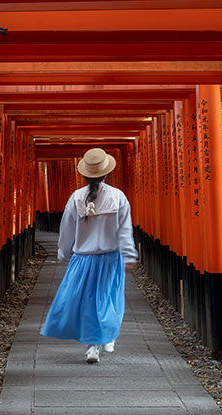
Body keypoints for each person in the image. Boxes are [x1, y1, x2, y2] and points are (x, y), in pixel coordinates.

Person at [40, 148, 138, 363]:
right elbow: (124, 230)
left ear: (84, 174)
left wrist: (63, 253)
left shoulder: (76, 197)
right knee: (108, 300)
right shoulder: (118, 196)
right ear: (106, 173)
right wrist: (130, 255)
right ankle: (108, 336)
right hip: (110, 258)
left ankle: (93, 346)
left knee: (86, 303)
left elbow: (66, 230)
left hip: (83, 260)